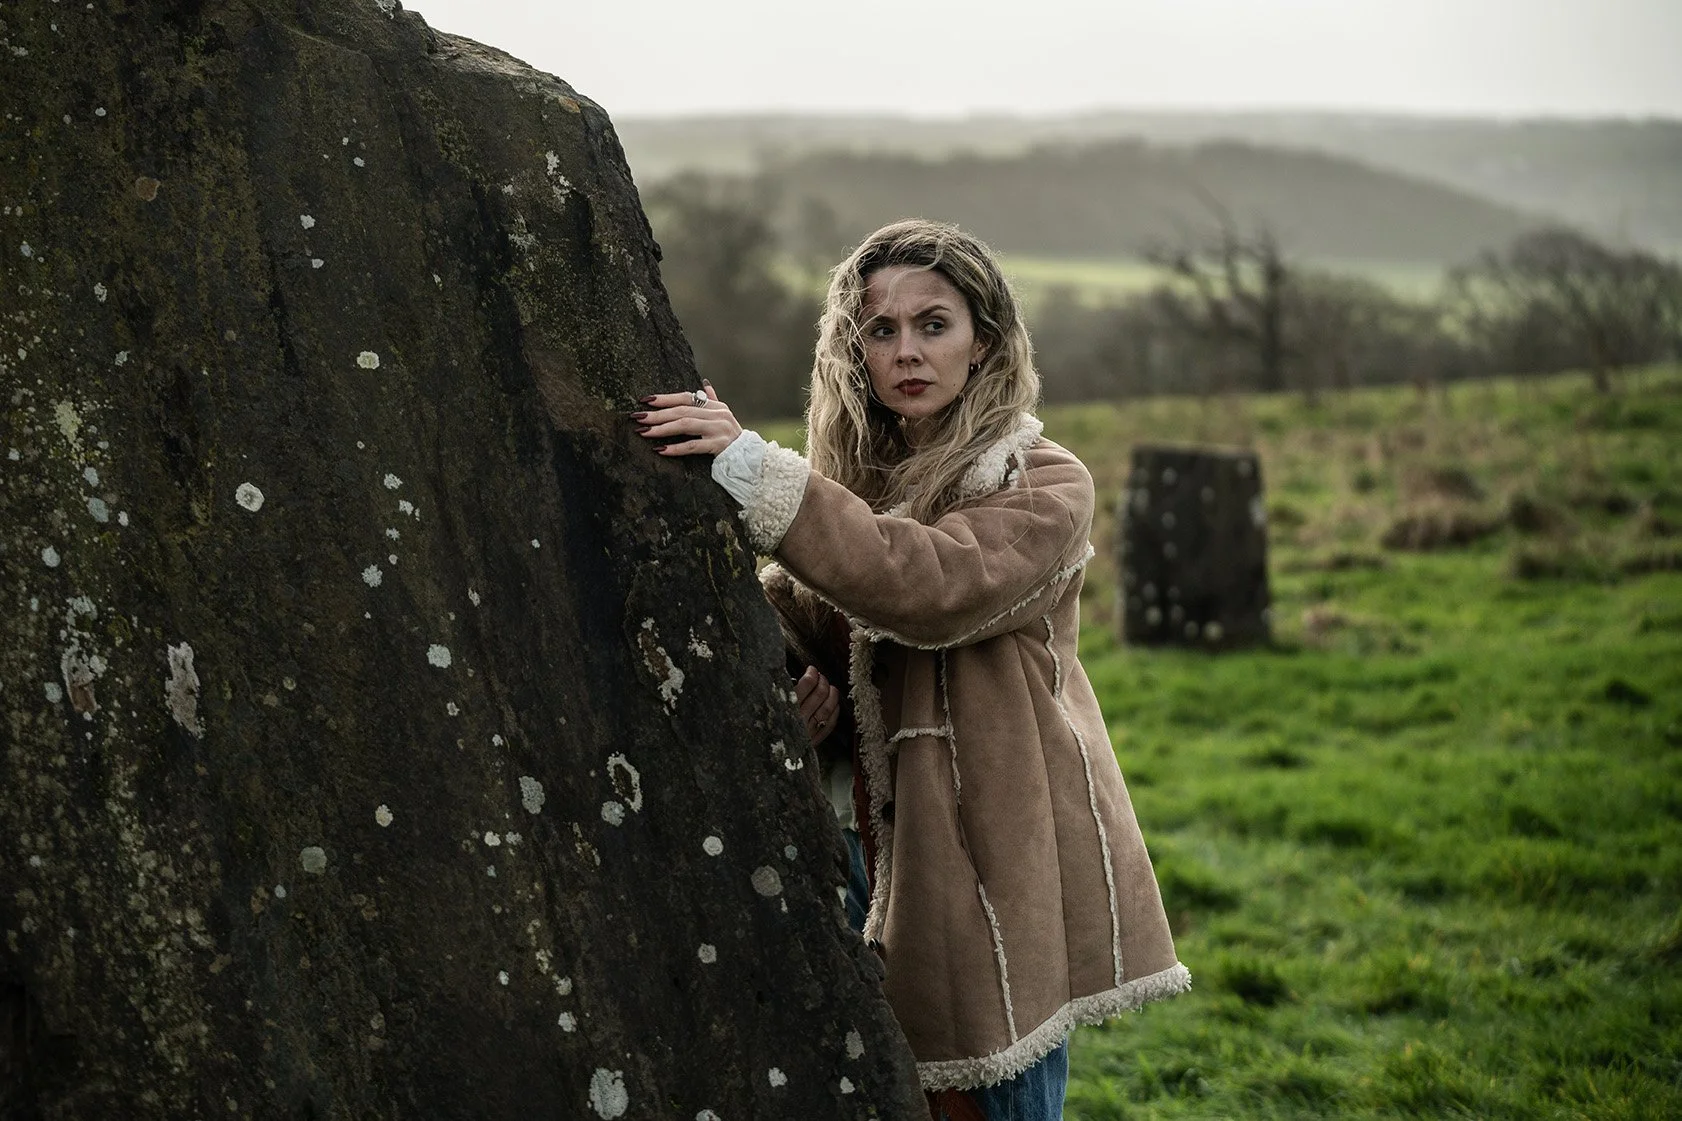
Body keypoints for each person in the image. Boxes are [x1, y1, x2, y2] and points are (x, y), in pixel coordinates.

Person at [632, 219, 1189, 1119]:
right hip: (867, 844)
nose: (907, 351)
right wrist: (794, 690)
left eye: (935, 324)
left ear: (987, 342)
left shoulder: (1045, 482)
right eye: (880, 330)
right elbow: (826, 617)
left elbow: (928, 583)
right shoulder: (869, 482)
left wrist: (755, 470)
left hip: (994, 852)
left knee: (987, 1094)